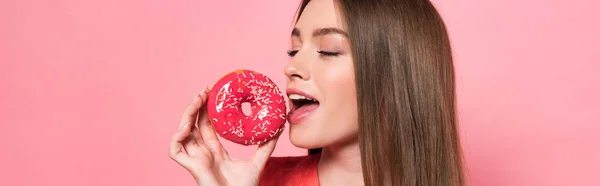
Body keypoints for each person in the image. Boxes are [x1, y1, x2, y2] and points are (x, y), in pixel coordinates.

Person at [169, 0, 465, 185]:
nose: (292, 66)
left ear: (397, 76)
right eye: (294, 50)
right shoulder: (255, 181)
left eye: (328, 50)